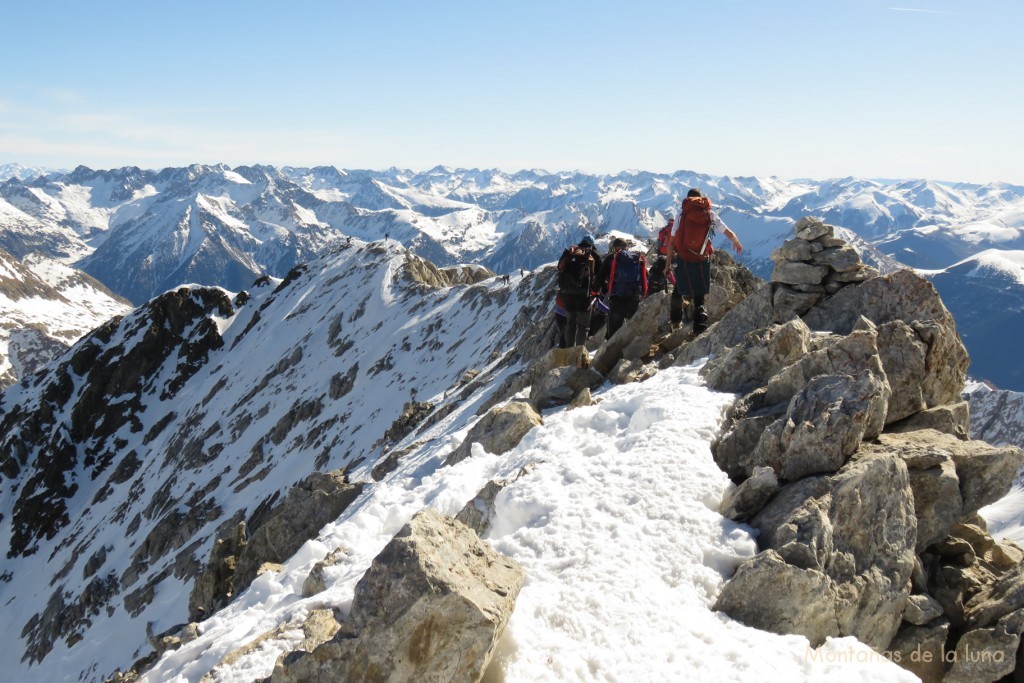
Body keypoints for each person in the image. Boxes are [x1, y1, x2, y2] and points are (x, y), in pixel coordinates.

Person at [663, 189, 743, 335]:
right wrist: (736, 242)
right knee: (699, 297)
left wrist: (667, 265)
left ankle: (675, 323)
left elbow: (672, 242)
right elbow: (728, 232)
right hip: (701, 258)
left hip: (684, 257)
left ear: (687, 199)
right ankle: (700, 328)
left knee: (678, 292)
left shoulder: (681, 214)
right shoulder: (709, 214)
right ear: (701, 199)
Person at [598, 237, 648, 339]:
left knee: (614, 330)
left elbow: (600, 276)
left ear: (614, 247)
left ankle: (612, 352)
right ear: (627, 247)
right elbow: (645, 277)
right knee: (633, 327)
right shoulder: (636, 258)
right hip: (634, 297)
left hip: (617, 298)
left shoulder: (611, 258)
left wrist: (595, 291)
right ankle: (633, 351)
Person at [557, 234, 600, 347]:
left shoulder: (570, 253)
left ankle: (568, 349)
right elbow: (596, 275)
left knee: (570, 324)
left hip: (567, 295)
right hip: (582, 295)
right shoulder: (591, 255)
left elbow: (560, 269)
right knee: (582, 326)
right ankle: (579, 353)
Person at [647, 217, 673, 293]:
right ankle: (668, 281)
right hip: (672, 253)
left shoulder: (664, 229)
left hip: (662, 252)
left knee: (660, 266)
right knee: (668, 269)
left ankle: (659, 281)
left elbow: (651, 234)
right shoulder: (677, 229)